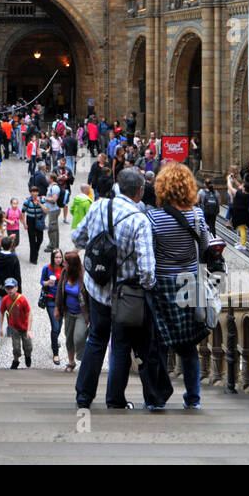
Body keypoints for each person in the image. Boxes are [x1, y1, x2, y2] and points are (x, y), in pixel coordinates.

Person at [70, 167, 168, 411]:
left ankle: (83, 396)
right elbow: (147, 269)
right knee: (121, 345)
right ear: (140, 191)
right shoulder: (139, 221)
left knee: (96, 339)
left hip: (97, 288)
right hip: (126, 295)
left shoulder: (98, 207)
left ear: (117, 185)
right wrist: (147, 289)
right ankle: (115, 400)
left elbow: (77, 238)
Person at [148, 161, 212, 410]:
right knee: (188, 347)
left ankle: (156, 399)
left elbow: (150, 255)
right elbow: (205, 248)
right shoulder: (197, 215)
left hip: (162, 286)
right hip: (189, 285)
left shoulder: (153, 217)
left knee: (161, 345)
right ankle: (193, 399)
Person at [55, 251, 88, 372]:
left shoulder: (84, 276)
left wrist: (91, 316)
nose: (63, 264)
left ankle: (82, 358)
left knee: (79, 337)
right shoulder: (64, 273)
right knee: (68, 338)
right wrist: (57, 307)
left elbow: (90, 295)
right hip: (68, 312)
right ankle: (71, 362)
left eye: (65, 262)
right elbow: (60, 290)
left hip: (81, 313)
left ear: (72, 264)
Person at [0, 234, 22, 347]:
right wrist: (19, 291)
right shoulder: (13, 258)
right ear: (12, 245)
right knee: (11, 310)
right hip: (11, 289)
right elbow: (17, 275)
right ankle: (10, 330)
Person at [0, 278, 33, 369]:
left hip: (24, 326)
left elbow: (29, 313)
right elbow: (2, 312)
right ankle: (16, 361)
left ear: (16, 288)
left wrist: (29, 329)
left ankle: (28, 356)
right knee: (16, 346)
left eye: (11, 287)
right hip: (14, 327)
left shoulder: (22, 299)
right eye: (7, 288)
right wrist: (1, 327)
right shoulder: (5, 300)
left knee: (28, 346)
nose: (10, 290)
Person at [40, 248, 64, 366]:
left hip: (63, 301)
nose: (58, 259)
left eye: (60, 257)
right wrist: (47, 283)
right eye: (56, 257)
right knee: (55, 327)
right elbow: (42, 282)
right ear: (52, 258)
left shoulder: (65, 268)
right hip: (50, 300)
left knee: (59, 326)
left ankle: (55, 339)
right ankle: (56, 353)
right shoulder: (47, 268)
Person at [22, 187, 46, 264]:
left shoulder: (42, 200)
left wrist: (39, 203)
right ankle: (33, 259)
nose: (34, 193)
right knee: (32, 240)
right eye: (33, 192)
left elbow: (46, 210)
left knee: (40, 239)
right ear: (30, 193)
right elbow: (23, 212)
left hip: (39, 220)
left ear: (38, 193)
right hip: (30, 220)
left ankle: (34, 253)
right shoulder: (27, 201)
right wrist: (24, 224)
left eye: (36, 192)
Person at [229, 180, 249, 248]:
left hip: (241, 215)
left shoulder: (241, 194)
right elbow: (239, 187)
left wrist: (228, 180)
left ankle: (243, 245)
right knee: (242, 228)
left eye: (243, 186)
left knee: (242, 229)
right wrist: (234, 180)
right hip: (244, 214)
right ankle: (242, 242)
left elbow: (230, 188)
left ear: (244, 188)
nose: (241, 187)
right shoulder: (247, 194)